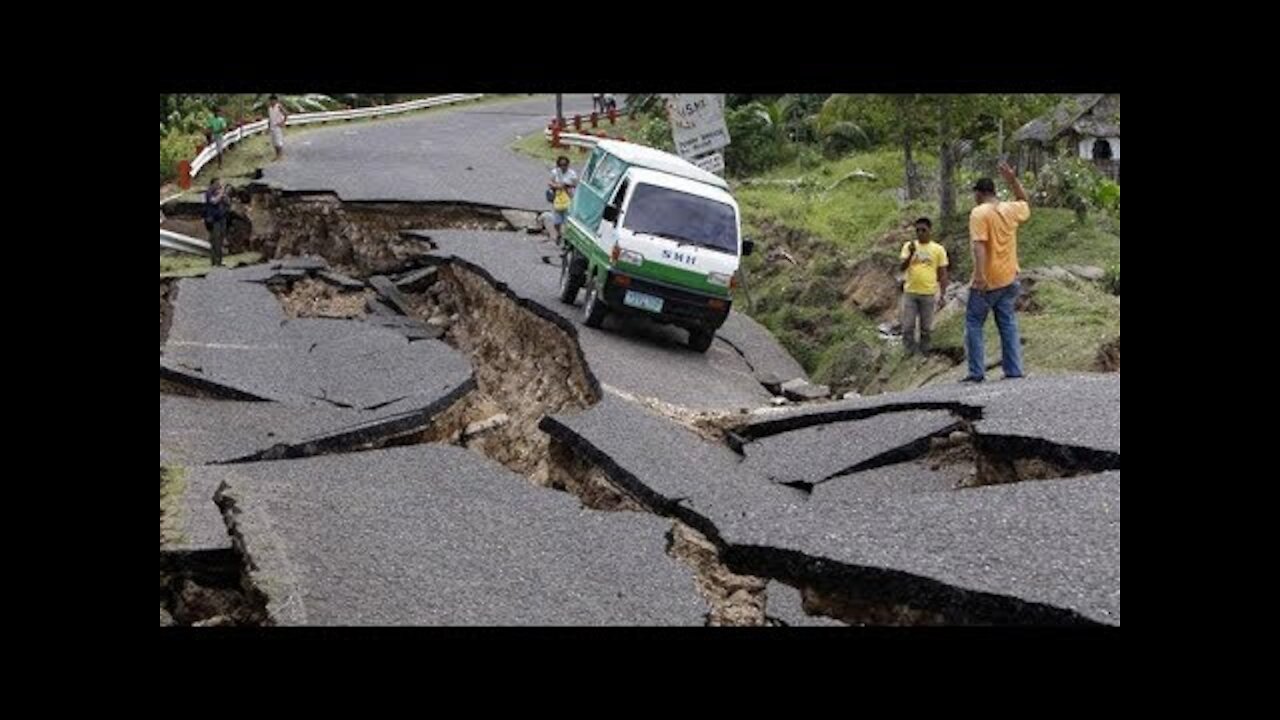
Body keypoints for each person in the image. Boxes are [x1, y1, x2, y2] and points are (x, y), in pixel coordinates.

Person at [963, 161, 1031, 382]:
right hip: (1010, 277)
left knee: (974, 323)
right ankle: (1013, 370)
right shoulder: (1010, 209)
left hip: (989, 280)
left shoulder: (979, 213)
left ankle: (976, 372)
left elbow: (979, 245)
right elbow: (1024, 201)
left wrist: (980, 276)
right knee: (1007, 323)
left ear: (980, 193)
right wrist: (1012, 180)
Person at [899, 217, 948, 355]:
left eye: (923, 230)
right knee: (908, 325)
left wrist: (943, 294)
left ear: (930, 231)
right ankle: (909, 352)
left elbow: (943, 273)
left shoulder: (938, 249)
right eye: (918, 230)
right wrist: (911, 254)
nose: (920, 233)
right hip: (910, 292)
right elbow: (901, 267)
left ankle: (925, 351)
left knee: (926, 326)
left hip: (928, 292)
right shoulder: (908, 246)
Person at [548, 155, 577, 244]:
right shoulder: (555, 172)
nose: (563, 167)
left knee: (566, 221)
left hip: (568, 198)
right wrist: (557, 186)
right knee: (557, 222)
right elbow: (550, 182)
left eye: (565, 165)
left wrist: (566, 185)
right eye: (561, 165)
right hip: (558, 198)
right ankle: (558, 233)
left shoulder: (572, 174)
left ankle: (567, 238)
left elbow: (575, 184)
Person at [203, 177, 230, 267]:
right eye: (217, 184)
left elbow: (227, 203)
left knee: (221, 240)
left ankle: (219, 261)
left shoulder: (219, 193)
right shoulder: (209, 192)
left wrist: (224, 196)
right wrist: (220, 194)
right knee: (215, 241)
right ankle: (214, 261)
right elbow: (213, 202)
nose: (219, 186)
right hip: (214, 220)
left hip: (222, 218)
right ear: (213, 184)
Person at [268, 95, 288, 161]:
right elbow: (270, 118)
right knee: (274, 142)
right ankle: (277, 155)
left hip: (277, 126)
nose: (271, 102)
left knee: (278, 141)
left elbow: (286, 113)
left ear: (276, 100)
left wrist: (282, 122)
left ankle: (280, 155)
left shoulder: (279, 106)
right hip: (272, 126)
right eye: (270, 100)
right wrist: (268, 127)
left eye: (273, 100)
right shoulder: (270, 108)